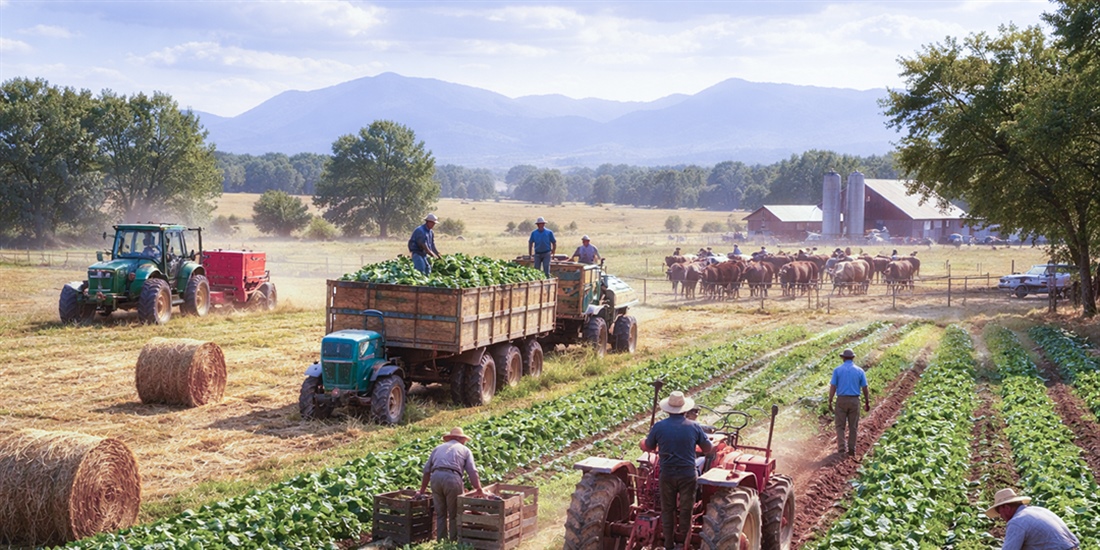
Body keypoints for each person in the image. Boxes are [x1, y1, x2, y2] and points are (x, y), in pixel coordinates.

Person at [641, 391, 713, 550]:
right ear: (685, 410)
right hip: (687, 474)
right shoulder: (694, 427)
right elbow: (708, 449)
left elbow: (649, 446)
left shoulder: (659, 427)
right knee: (686, 509)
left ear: (667, 410)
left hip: (666, 474)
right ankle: (683, 541)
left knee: (667, 509)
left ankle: (668, 545)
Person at [417, 427, 485, 540]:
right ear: (460, 439)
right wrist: (478, 488)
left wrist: (422, 491)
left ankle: (441, 539)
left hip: (436, 478)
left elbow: (426, 471)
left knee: (440, 513)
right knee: (454, 513)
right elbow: (472, 471)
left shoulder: (438, 448)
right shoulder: (465, 450)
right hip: (452, 478)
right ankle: (453, 540)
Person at [985, 488, 1079, 550]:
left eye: (1000, 512)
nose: (1001, 516)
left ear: (1006, 508)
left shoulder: (1017, 522)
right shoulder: (1038, 510)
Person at [828, 348, 870, 458]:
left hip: (841, 399)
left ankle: (841, 448)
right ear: (852, 358)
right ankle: (852, 449)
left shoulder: (837, 370)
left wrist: (830, 400)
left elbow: (833, 386)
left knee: (840, 426)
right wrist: (867, 401)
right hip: (854, 400)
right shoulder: (859, 371)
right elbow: (865, 387)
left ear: (843, 358)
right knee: (853, 426)